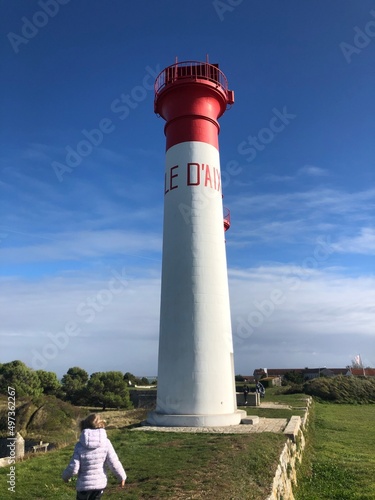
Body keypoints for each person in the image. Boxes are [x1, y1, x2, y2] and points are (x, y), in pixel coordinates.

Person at [62, 413, 126, 500]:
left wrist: (65, 477)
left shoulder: (79, 445)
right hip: (99, 485)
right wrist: (122, 476)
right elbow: (113, 462)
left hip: (83, 486)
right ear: (101, 424)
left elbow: (74, 467)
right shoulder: (106, 443)